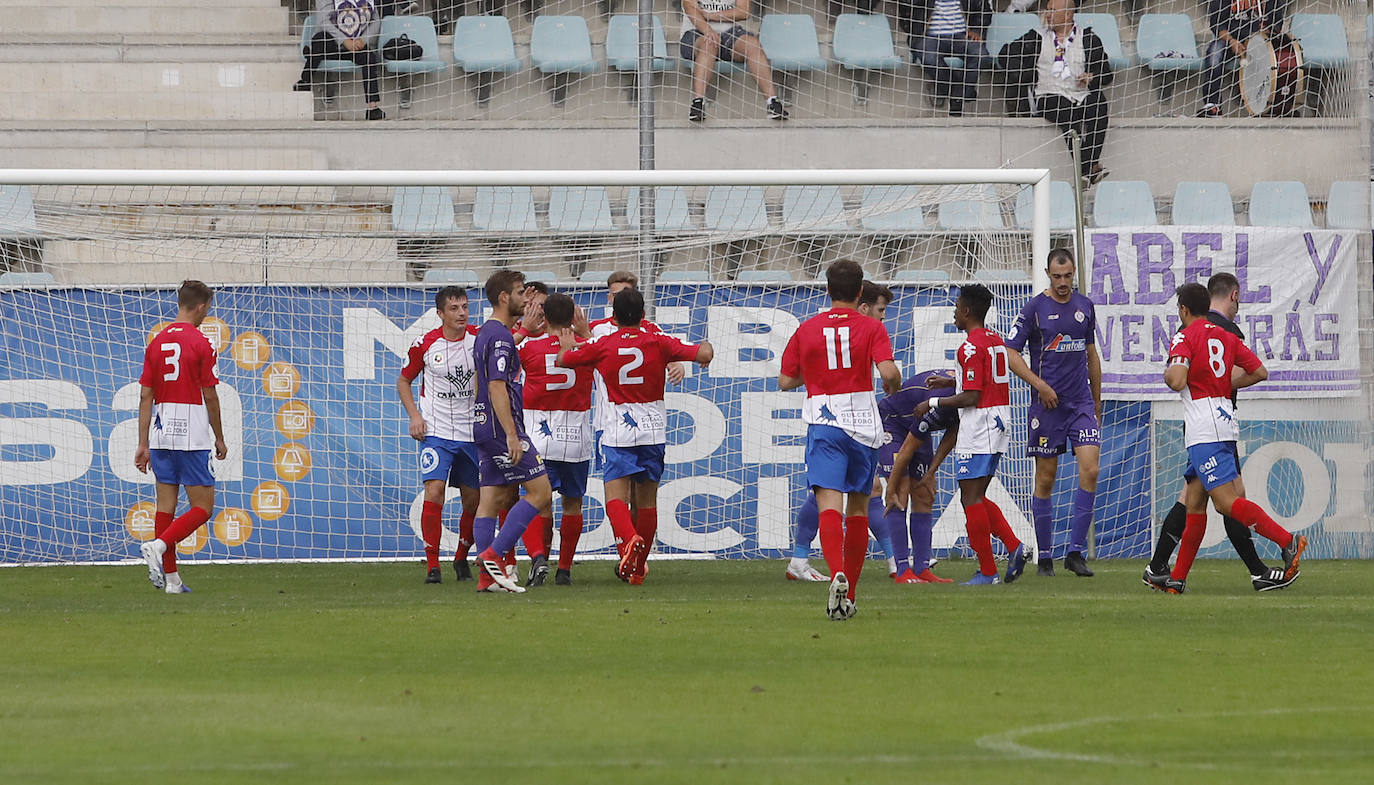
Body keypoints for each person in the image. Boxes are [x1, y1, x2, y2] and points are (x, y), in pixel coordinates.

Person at [1154, 282, 1306, 593]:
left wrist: (1169, 374)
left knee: (1225, 503)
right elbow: (1260, 372)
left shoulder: (1184, 335)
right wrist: (1223, 384)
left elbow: (1177, 379)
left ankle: (1287, 540)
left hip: (1203, 427)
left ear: (1183, 310)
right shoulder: (1226, 335)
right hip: (1224, 420)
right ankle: (1177, 579)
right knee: (1195, 504)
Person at [558, 287, 714, 584]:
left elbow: (565, 360)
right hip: (653, 429)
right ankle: (637, 570)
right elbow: (703, 352)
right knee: (647, 501)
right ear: (643, 315)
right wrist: (706, 347)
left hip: (619, 429)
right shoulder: (658, 341)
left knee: (615, 497)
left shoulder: (603, 342)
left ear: (614, 316)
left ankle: (629, 540)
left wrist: (567, 344)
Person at [778, 260, 901, 620]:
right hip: (863, 423)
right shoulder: (871, 327)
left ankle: (837, 575)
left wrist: (815, 375)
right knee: (859, 508)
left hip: (825, 422)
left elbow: (786, 380)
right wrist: (892, 383)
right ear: (861, 292)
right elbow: (889, 372)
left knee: (828, 503)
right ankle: (851, 595)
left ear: (827, 290)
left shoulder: (807, 328)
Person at [914, 284, 1027, 585]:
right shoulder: (994, 341)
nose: (953, 311)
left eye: (956, 306)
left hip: (981, 423)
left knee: (972, 498)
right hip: (997, 419)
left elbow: (972, 397)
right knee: (971, 497)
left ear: (966, 311)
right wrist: (949, 382)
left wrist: (932, 402)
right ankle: (1014, 547)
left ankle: (988, 570)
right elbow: (978, 384)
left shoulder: (970, 347)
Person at [1003, 249, 1101, 578]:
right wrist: (1039, 385)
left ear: (1074, 273)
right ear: (1048, 273)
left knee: (1090, 470)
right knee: (1046, 478)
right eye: (1056, 276)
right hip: (1048, 407)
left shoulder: (1085, 306)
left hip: (1081, 404)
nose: (1062, 283)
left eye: (1068, 276)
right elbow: (1011, 353)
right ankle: (1044, 557)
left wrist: (1096, 402)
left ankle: (1074, 553)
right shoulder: (1034, 308)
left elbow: (1092, 355)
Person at [135, 280, 228, 594]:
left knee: (166, 507)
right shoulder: (201, 342)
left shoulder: (156, 342)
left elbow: (145, 396)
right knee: (203, 508)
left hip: (161, 433)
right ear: (201, 306)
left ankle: (172, 581)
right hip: (191, 434)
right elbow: (210, 395)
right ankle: (159, 546)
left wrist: (143, 443)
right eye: (207, 309)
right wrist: (219, 437)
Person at [470, 270, 555, 594]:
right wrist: (510, 434)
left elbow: (483, 379)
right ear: (504, 297)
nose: (525, 299)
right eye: (520, 293)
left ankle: (485, 579)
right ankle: (491, 556)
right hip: (500, 428)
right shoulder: (501, 337)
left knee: (491, 499)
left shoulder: (488, 333)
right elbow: (495, 385)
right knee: (541, 492)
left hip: (482, 425)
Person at [397, 285, 481, 584]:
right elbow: (404, 381)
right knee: (435, 492)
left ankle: (461, 557)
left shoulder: (478, 338)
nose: (461, 313)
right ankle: (433, 565)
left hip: (471, 433)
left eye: (465, 307)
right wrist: (415, 416)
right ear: (440, 313)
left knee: (474, 500)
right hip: (437, 433)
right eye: (455, 308)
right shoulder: (426, 343)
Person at [516, 293, 595, 586]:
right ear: (574, 317)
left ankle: (539, 557)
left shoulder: (529, 349)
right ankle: (564, 570)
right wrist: (584, 333)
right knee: (573, 505)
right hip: (577, 438)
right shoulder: (589, 347)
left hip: (540, 438)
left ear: (544, 318)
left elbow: (496, 354)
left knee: (538, 502)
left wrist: (524, 327)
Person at [1003, 0, 1113, 187]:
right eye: (1047, 10)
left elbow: (1106, 73)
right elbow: (1005, 55)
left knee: (1099, 105)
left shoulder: (1088, 38)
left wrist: (1091, 76)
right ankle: (1090, 167)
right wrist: (1030, 76)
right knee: (1064, 110)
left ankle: (1087, 165)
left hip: (1079, 94)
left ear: (1069, 15)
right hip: (1048, 95)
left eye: (1053, 10)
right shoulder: (1036, 37)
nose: (1048, 14)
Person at [882, 369, 961, 583]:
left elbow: (951, 435)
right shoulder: (937, 405)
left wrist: (931, 472)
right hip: (893, 423)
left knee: (925, 494)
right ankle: (901, 570)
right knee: (901, 490)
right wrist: (890, 489)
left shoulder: (969, 398)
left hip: (917, 429)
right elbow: (907, 448)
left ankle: (922, 568)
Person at [680, 0, 788, 122]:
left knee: (753, 44)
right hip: (696, 34)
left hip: (729, 34)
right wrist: (708, 31)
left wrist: (710, 16)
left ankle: (772, 102)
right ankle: (698, 103)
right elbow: (691, 9)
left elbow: (743, 12)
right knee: (708, 43)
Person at [295, 0, 387, 120]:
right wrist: (344, 40)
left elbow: (376, 20)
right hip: (331, 42)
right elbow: (324, 21)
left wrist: (363, 40)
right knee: (320, 40)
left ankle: (373, 107)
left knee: (369, 57)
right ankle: (305, 81)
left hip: (354, 45)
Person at [899, 0, 993, 117]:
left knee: (982, 56)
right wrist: (915, 31)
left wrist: (976, 30)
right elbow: (905, 9)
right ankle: (959, 91)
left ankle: (956, 94)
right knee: (928, 58)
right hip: (930, 36)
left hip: (962, 36)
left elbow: (984, 11)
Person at [1197, 0, 1284, 118]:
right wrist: (1231, 40)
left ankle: (1271, 104)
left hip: (1259, 39)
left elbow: (1276, 25)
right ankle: (1213, 105)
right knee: (1214, 54)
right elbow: (1217, 24)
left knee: (1276, 57)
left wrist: (1258, 39)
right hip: (1230, 39)